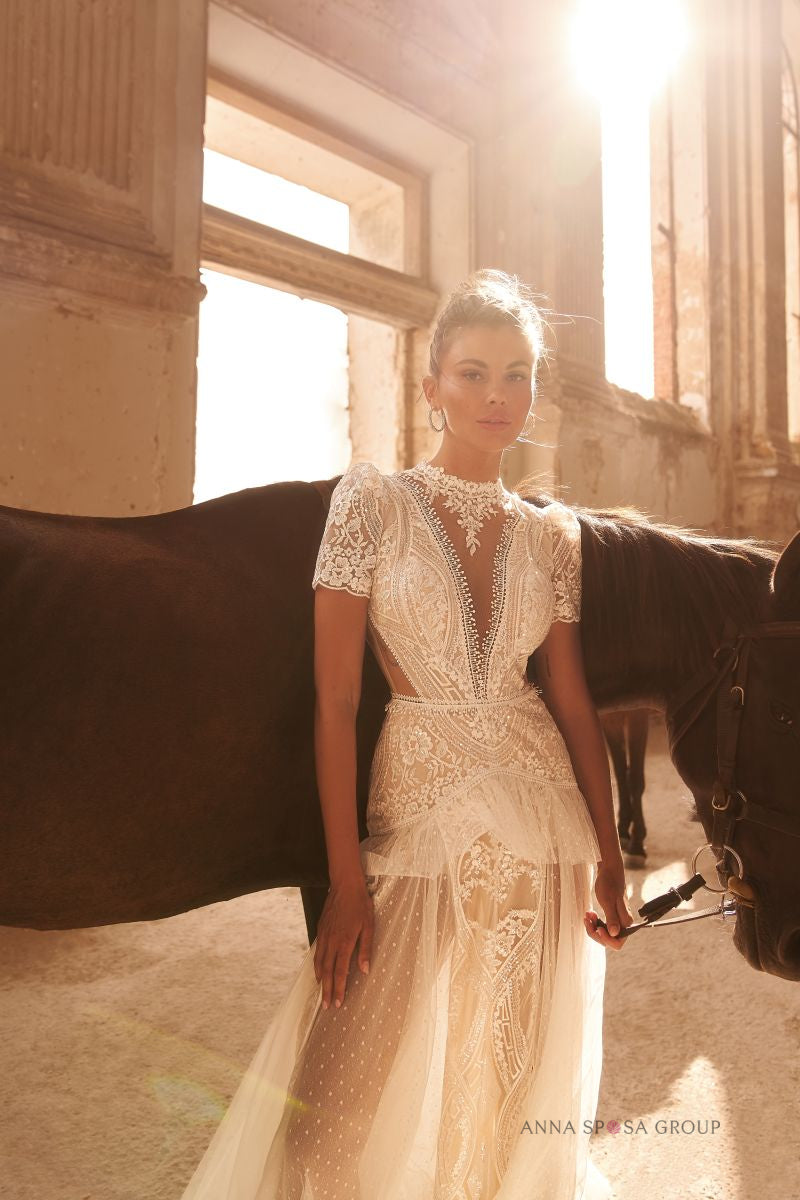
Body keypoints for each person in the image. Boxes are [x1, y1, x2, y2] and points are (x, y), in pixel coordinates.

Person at [179, 269, 633, 1200]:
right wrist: (346, 878)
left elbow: (574, 703)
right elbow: (336, 700)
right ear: (430, 387)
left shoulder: (554, 539)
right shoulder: (370, 504)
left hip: (544, 828)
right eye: (471, 374)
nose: (496, 396)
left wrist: (611, 849)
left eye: (516, 376)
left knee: (500, 1102)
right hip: (418, 819)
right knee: (331, 1114)